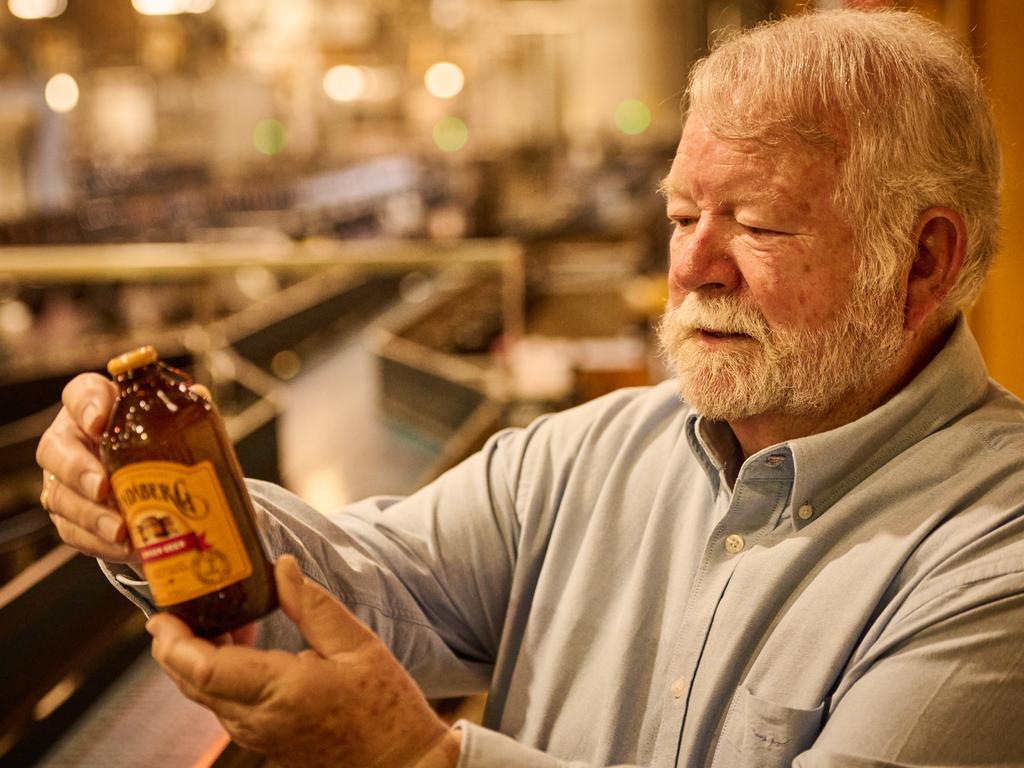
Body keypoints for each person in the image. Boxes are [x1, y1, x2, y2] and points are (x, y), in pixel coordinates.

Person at [34, 8, 1024, 767]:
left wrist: (424, 756)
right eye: (683, 220)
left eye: (757, 226)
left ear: (923, 261)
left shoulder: (996, 552)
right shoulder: (591, 453)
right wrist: (161, 515)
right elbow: (368, 586)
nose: (697, 268)